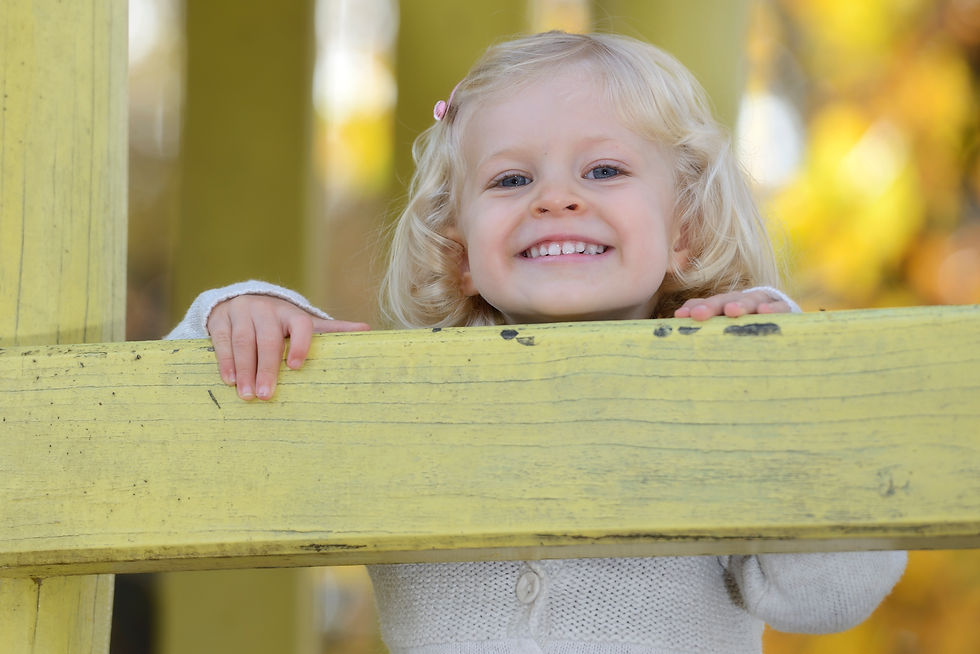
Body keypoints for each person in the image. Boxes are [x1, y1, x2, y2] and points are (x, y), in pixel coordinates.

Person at [168, 31, 905, 654]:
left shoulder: (719, 377)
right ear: (458, 252)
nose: (556, 197)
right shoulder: (406, 402)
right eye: (512, 178)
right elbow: (173, 447)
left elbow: (826, 600)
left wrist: (780, 381)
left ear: (688, 231)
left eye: (604, 170)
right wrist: (236, 316)